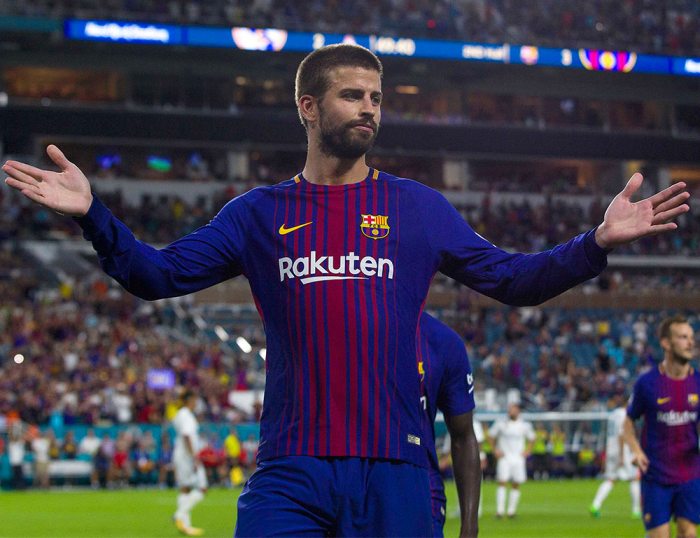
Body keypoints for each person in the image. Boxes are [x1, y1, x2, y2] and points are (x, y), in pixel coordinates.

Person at [2, 43, 690, 536]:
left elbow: (512, 280)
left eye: (377, 98)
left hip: (398, 469)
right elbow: (155, 275)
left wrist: (595, 244)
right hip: (291, 468)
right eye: (353, 96)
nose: (370, 109)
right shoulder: (257, 215)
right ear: (308, 106)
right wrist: (93, 215)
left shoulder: (418, 208)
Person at [623, 315, 699, 538]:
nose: (690, 342)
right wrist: (636, 451)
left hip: (691, 473)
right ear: (666, 343)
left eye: (691, 337)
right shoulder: (647, 383)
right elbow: (628, 422)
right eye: (683, 337)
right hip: (656, 475)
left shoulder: (698, 383)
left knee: (689, 533)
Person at [418, 313, 480, 537]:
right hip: (350, 490)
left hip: (421, 493)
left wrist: (470, 528)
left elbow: (464, 435)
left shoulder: (442, 341)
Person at [589, 392, 641, 519]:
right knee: (634, 479)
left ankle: (595, 505)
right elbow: (622, 435)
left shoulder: (612, 415)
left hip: (611, 450)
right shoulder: (625, 415)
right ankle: (636, 510)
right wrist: (622, 456)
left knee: (610, 479)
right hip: (622, 451)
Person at [488, 403, 535, 518]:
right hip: (504, 458)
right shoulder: (501, 423)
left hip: (518, 458)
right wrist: (495, 450)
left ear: (518, 410)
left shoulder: (524, 425)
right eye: (509, 409)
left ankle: (511, 511)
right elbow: (490, 436)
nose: (510, 411)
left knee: (516, 484)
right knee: (502, 482)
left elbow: (532, 438)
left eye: (513, 409)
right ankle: (499, 511)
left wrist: (528, 451)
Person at [172, 390, 207, 537]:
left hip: (181, 455)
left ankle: (185, 526)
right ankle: (179, 515)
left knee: (185, 489)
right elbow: (187, 436)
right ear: (189, 400)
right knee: (202, 488)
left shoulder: (181, 414)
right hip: (186, 456)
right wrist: (194, 456)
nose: (196, 403)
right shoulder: (186, 415)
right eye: (194, 399)